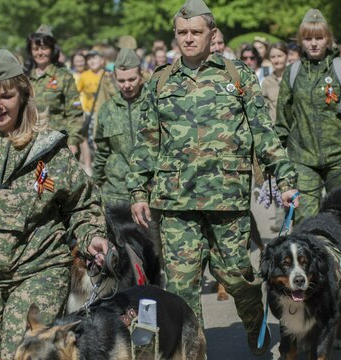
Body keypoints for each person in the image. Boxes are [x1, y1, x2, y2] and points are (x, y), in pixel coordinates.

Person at [127, 0, 299, 355]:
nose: (188, 39)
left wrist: (285, 179)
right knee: (180, 289)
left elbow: (263, 133)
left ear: (212, 34)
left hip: (227, 197)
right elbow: (146, 141)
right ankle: (193, 352)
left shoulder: (237, 76)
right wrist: (138, 191)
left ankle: (257, 328)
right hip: (175, 201)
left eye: (196, 32)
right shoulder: (160, 81)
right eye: (182, 33)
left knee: (237, 276)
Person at [0, 49, 108, 359]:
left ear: (23, 96)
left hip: (38, 271)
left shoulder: (48, 150)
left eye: (6, 96)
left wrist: (91, 236)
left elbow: (82, 205)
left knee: (22, 354)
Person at [275, 8, 341, 284]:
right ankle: (311, 271)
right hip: (302, 158)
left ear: (328, 39)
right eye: (307, 39)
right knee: (304, 218)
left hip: (339, 156)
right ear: (301, 41)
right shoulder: (292, 73)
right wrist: (279, 164)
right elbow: (282, 121)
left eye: (319, 38)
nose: (313, 44)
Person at [93, 48, 146, 207]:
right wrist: (95, 185)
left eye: (132, 79)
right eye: (121, 81)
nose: (127, 86)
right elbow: (102, 152)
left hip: (149, 192)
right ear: (115, 79)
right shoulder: (107, 109)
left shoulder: (153, 104)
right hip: (115, 193)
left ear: (141, 77)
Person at [26, 24, 84, 156]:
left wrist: (73, 141)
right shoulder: (25, 78)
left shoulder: (64, 76)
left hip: (59, 143)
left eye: (44, 48)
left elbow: (75, 112)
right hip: (31, 143)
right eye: (35, 49)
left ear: (52, 50)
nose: (40, 53)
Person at [261, 41, 288, 121]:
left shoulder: (294, 78)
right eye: (273, 57)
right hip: (275, 127)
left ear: (287, 55)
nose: (276, 60)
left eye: (280, 56)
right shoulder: (267, 82)